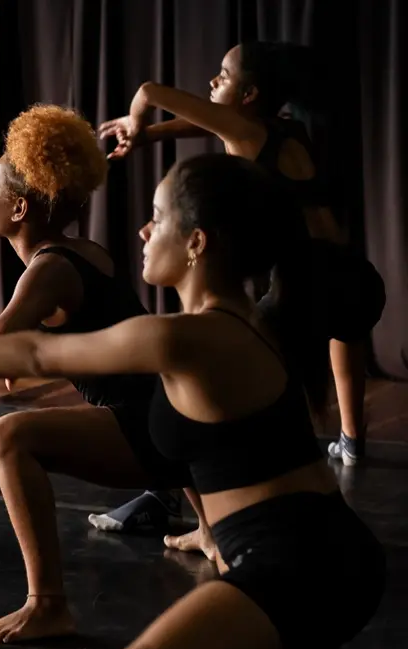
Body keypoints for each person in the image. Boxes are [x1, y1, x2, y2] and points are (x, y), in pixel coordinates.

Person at [0, 153, 385, 649]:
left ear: (196, 242)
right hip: (319, 553)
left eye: (158, 216)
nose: (143, 229)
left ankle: (49, 603)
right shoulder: (247, 322)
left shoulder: (186, 338)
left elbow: (36, 353)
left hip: (300, 563)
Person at [95, 41, 387, 554]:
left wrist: (138, 119)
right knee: (330, 358)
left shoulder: (247, 131)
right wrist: (146, 136)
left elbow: (148, 91)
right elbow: (207, 122)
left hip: (304, 289)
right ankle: (352, 441)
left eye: (222, 75)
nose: (211, 82)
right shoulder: (280, 128)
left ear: (249, 93)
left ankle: (205, 517)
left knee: (229, 402)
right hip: (355, 280)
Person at [0, 104, 194, 645]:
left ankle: (46, 604)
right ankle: (206, 529)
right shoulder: (82, 251)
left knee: (9, 437)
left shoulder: (48, 269)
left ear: (19, 207)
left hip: (159, 434)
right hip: (177, 419)